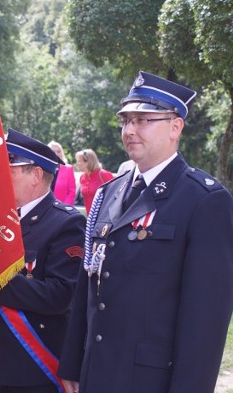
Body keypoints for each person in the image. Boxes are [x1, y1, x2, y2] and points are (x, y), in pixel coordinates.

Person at [58, 71, 233, 393]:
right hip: (97, 372)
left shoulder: (204, 200)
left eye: (143, 120)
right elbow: (89, 283)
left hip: (151, 381)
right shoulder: (109, 193)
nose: (130, 130)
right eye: (125, 120)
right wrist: (72, 362)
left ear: (175, 127)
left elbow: (205, 320)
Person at [0, 130, 86, 393]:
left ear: (36, 174)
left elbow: (59, 295)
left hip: (33, 368)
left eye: (8, 169)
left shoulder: (66, 223)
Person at [74, 148, 113, 214]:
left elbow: (115, 195)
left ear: (88, 162)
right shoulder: (82, 177)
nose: (77, 164)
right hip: (90, 216)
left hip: (105, 215)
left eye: (79, 161)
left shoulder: (103, 174)